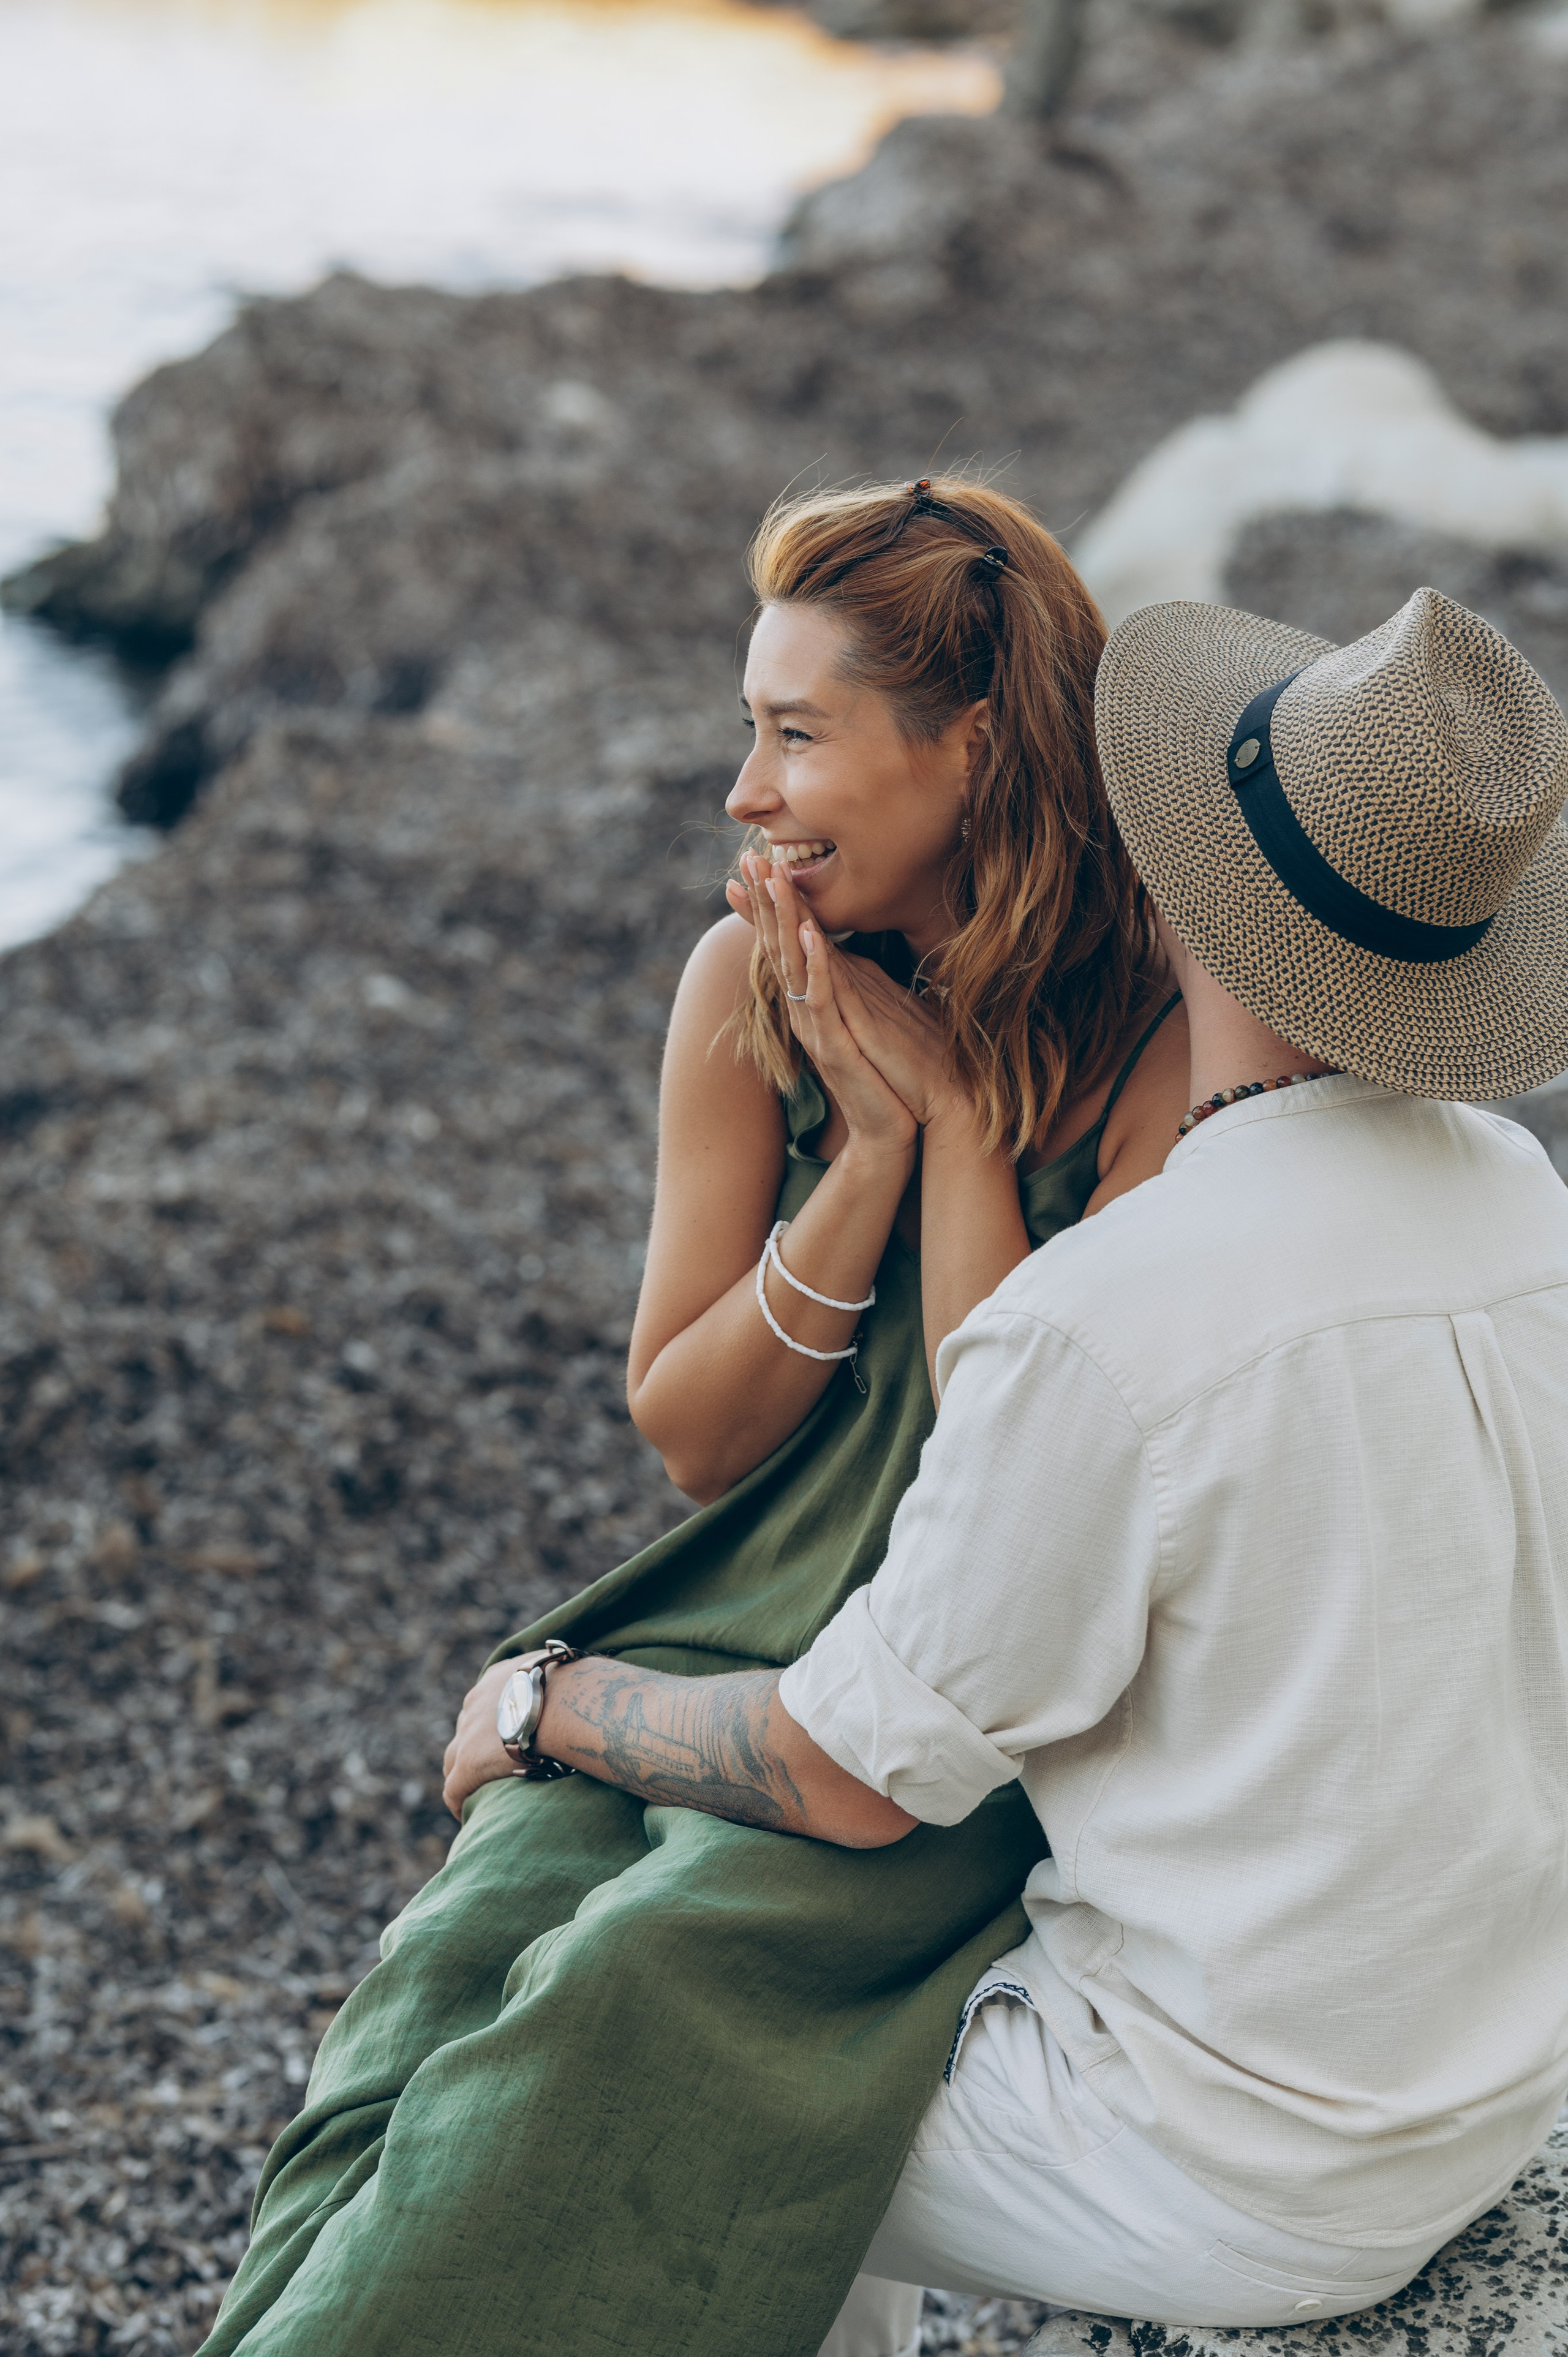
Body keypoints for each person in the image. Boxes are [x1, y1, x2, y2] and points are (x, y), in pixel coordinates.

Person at [434, 583, 1568, 2328]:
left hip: (1218, 2162)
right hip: (1488, 2082)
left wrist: (546, 1708)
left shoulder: (1121, 1312)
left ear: (1185, 883)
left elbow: (844, 1772)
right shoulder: (1519, 1198)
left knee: (629, 2081)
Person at [199, 477, 1188, 2357]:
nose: (744, 791)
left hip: (959, 1707)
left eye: (795, 734)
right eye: (753, 728)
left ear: (973, 749)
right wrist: (868, 1152)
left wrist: (970, 1123)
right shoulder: (747, 983)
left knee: (609, 2016)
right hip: (718, 1626)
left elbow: (1008, 1488)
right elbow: (692, 1436)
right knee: (438, 1988)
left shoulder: (1151, 1042)